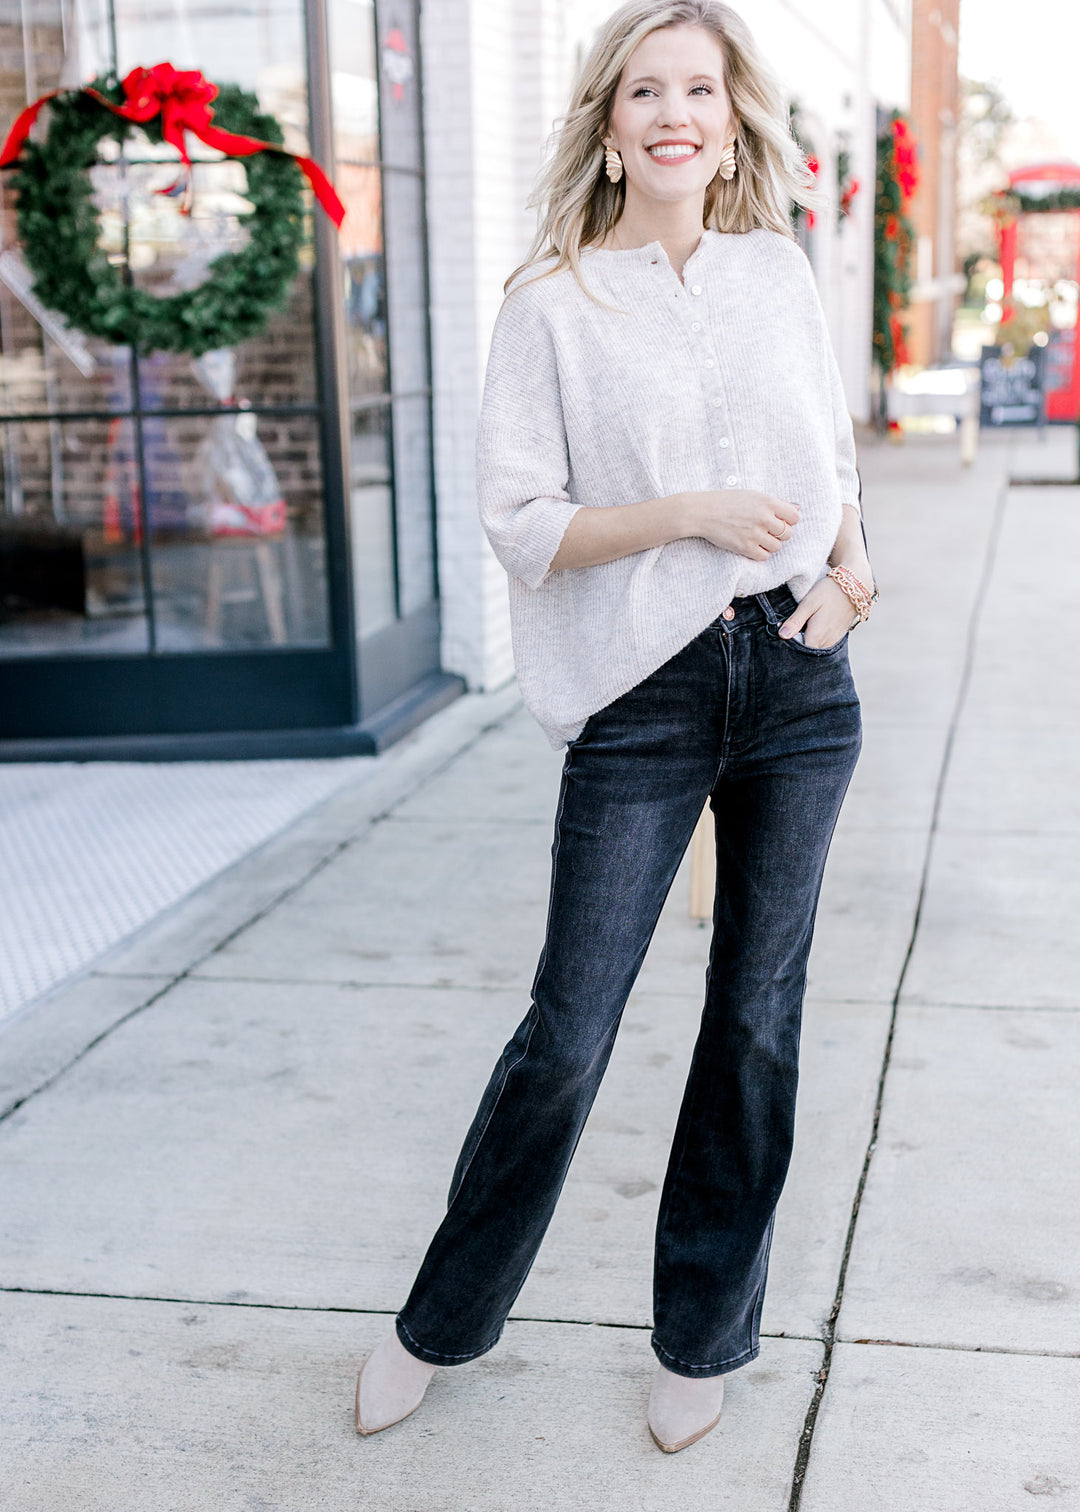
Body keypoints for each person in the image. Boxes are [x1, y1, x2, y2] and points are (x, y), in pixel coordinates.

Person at [355, 0, 874, 1454]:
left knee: (757, 1022)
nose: (673, 113)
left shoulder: (779, 274)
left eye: (697, 89)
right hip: (641, 699)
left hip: (795, 685)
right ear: (608, 119)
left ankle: (702, 1337)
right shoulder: (552, 303)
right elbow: (519, 523)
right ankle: (439, 1323)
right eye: (644, 89)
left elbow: (829, 453)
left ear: (730, 117)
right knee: (571, 1031)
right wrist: (687, 517)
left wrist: (854, 575)